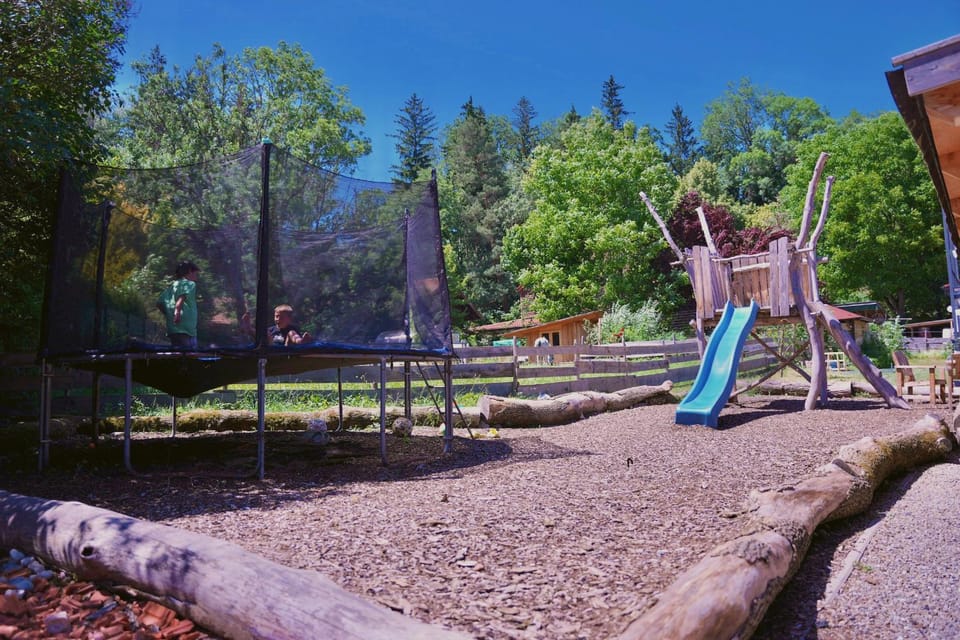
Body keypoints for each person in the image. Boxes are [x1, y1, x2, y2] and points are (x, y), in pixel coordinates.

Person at [157, 261, 200, 349]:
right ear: (189, 271)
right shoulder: (189, 283)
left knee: (178, 353)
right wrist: (177, 313)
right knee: (189, 354)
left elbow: (159, 303)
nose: (196, 276)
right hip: (186, 329)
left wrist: (169, 314)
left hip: (174, 329)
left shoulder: (172, 286)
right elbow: (181, 299)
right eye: (196, 273)